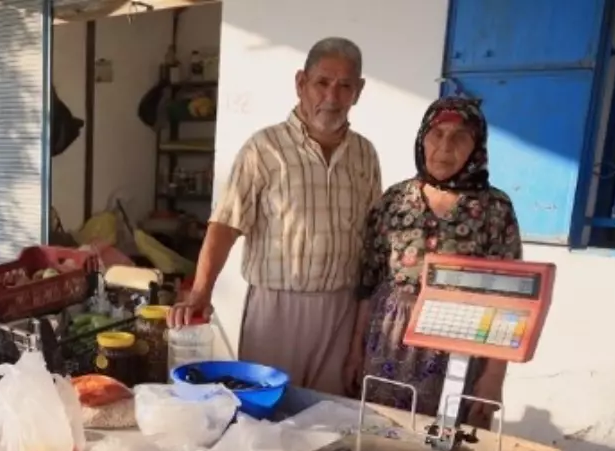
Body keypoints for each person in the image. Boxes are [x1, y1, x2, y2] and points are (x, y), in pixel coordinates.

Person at [167, 36, 382, 396]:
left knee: (330, 414)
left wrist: (365, 327)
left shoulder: (365, 154)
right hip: (276, 308)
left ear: (358, 91)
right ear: (301, 83)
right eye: (322, 83)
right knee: (267, 411)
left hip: (341, 309)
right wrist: (200, 293)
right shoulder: (264, 148)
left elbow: (373, 239)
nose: (332, 97)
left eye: (345, 86)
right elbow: (226, 224)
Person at [345, 96, 522, 426]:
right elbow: (368, 283)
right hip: (389, 341)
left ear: (477, 146)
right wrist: (355, 351)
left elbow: (508, 298)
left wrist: (494, 374)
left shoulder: (495, 208)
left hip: (460, 345)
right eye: (437, 134)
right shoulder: (395, 200)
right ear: (421, 138)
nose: (445, 146)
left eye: (460, 137)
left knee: (448, 439)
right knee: (380, 432)